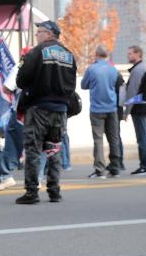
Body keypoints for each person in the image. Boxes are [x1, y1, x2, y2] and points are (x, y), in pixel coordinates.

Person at [14, 20, 76, 204]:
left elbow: (21, 79)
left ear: (49, 33)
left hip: (38, 108)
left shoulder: (37, 52)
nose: (37, 35)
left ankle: (32, 192)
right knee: (53, 149)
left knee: (33, 149)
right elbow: (72, 85)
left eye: (39, 31)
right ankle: (54, 191)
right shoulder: (69, 55)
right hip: (60, 110)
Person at [81, 45, 122, 178]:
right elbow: (117, 85)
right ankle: (115, 167)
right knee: (114, 138)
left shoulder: (91, 69)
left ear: (96, 54)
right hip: (112, 108)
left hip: (97, 109)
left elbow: (83, 85)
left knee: (98, 140)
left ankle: (100, 169)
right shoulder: (113, 69)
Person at [124, 45, 146, 175]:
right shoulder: (143, 67)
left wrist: (125, 112)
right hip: (144, 105)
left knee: (142, 137)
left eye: (130, 53)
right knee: (144, 136)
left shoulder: (137, 70)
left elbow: (132, 93)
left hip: (139, 107)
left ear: (138, 54)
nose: (128, 56)